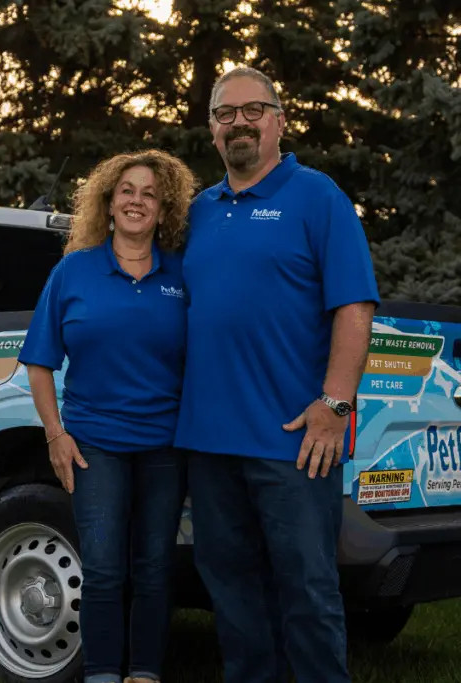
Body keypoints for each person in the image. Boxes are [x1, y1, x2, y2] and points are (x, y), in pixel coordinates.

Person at [173, 66, 380, 683]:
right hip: (208, 445)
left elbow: (354, 305)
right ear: (212, 130)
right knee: (232, 597)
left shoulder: (318, 197)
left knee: (309, 594)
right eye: (225, 113)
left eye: (252, 109)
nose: (239, 122)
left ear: (280, 120)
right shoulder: (199, 212)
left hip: (293, 441)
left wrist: (335, 403)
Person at [18, 149, 198, 683]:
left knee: (154, 567)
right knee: (100, 568)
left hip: (165, 444)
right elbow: (39, 361)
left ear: (163, 210)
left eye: (149, 193)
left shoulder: (182, 276)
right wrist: (56, 435)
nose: (136, 201)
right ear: (109, 203)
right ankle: (100, 673)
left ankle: (143, 673)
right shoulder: (74, 271)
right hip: (94, 443)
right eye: (126, 191)